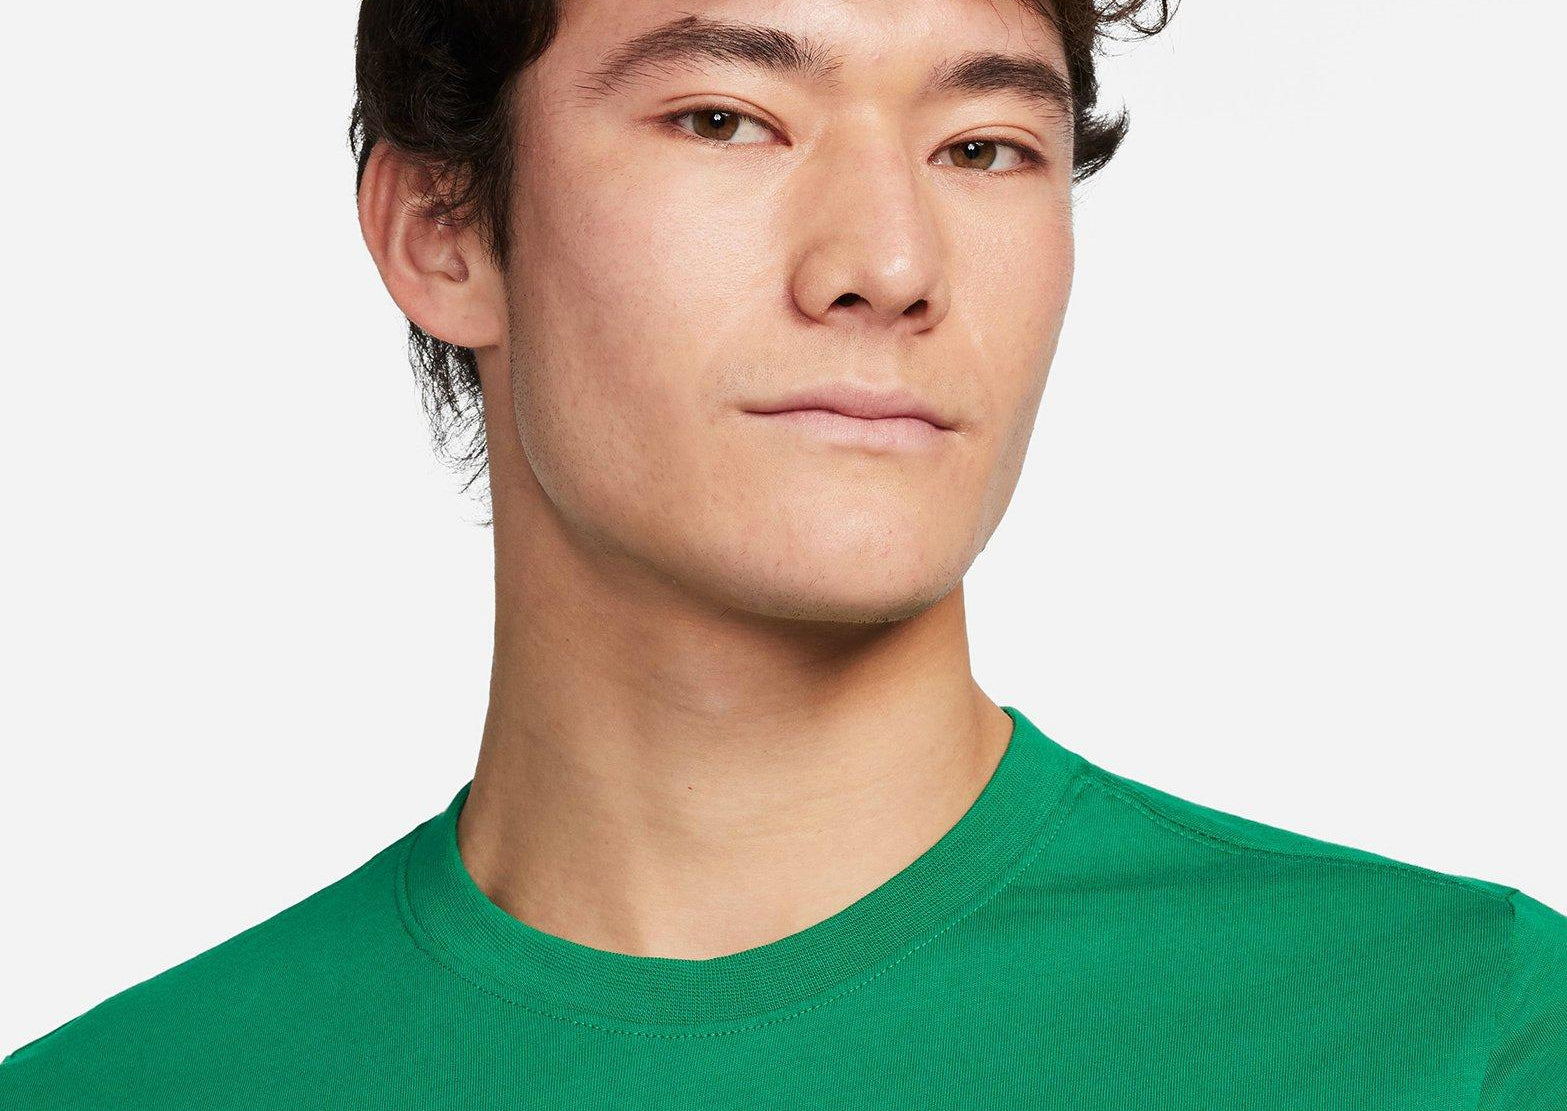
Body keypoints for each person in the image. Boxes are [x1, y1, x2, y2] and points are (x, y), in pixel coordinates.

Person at [4, 0, 1563, 1106]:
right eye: (725, 119)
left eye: (984, 145)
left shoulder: (1465, 1040)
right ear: (444, 227)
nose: (887, 262)